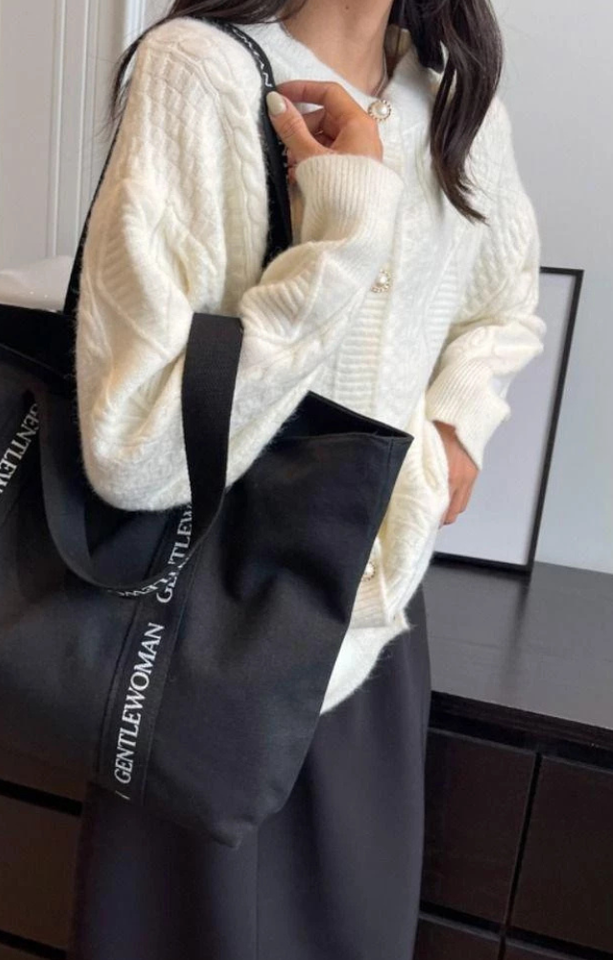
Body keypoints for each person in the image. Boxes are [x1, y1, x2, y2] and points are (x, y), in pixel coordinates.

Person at [67, 1, 546, 958]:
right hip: (214, 621)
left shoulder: (458, 103)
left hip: (376, 619)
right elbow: (134, 450)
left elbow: (503, 306)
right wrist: (347, 226)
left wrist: (457, 423)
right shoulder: (199, 71)